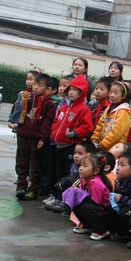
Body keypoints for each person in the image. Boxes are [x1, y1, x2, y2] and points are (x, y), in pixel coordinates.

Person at [48, 75, 93, 206]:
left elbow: (87, 127)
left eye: (75, 90)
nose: (71, 92)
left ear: (82, 92)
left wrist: (75, 133)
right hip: (58, 145)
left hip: (70, 146)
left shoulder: (83, 109)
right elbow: (56, 121)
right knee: (57, 171)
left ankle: (64, 200)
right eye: (70, 89)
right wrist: (53, 131)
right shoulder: (63, 107)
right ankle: (56, 195)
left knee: (67, 174)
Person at [14, 72, 57, 201]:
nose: (35, 88)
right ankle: (21, 187)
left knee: (36, 165)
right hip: (23, 134)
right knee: (22, 162)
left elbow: (47, 122)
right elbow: (17, 111)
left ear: (48, 89)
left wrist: (42, 138)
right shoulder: (27, 98)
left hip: (37, 138)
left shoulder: (49, 103)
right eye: (34, 85)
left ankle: (33, 189)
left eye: (39, 85)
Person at [67, 154, 112, 240]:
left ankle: (102, 230)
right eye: (80, 165)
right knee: (75, 203)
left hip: (104, 212)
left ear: (95, 171)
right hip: (94, 208)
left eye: (85, 166)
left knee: (85, 206)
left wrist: (80, 197)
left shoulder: (96, 183)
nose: (80, 168)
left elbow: (96, 202)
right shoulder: (84, 179)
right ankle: (87, 226)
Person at [107, 151, 131, 241]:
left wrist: (122, 199)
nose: (118, 168)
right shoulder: (119, 180)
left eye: (122, 165)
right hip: (123, 205)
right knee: (111, 208)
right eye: (118, 164)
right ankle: (122, 234)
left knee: (125, 212)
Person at [92, 81, 131, 151]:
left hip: (113, 149)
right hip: (101, 146)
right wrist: (95, 139)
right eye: (111, 92)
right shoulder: (109, 108)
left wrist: (102, 145)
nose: (112, 95)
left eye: (116, 93)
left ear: (123, 96)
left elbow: (116, 132)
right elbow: (100, 124)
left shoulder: (123, 111)